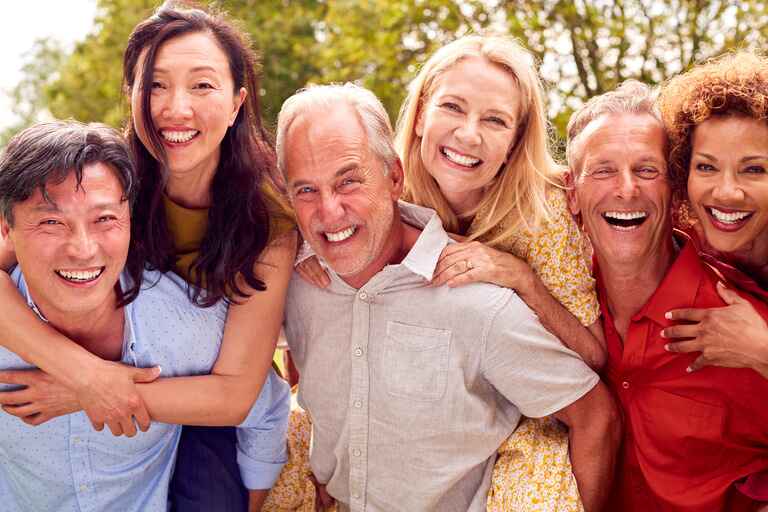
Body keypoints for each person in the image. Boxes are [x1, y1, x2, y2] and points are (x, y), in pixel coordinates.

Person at [0, 3, 296, 510]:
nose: (175, 108)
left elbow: (235, 395)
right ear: (132, 95)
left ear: (236, 103)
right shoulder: (98, 186)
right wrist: (84, 375)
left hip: (197, 405)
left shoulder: (266, 223)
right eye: (155, 85)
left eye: (202, 86)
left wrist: (85, 394)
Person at [294, 34, 606, 511]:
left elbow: (594, 357)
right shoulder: (396, 193)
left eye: (495, 120)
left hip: (531, 409)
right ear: (420, 115)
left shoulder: (542, 214)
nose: (468, 134)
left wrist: (521, 278)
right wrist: (311, 252)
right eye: (453, 108)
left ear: (515, 142)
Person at [566, 80, 768, 511]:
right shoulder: (549, 305)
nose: (626, 189)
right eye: (603, 170)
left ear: (675, 192)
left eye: (646, 170)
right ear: (572, 196)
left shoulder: (743, 327)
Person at [657, 51, 768, 505]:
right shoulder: (680, 238)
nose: (726, 191)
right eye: (706, 167)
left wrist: (760, 349)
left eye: (754, 169)